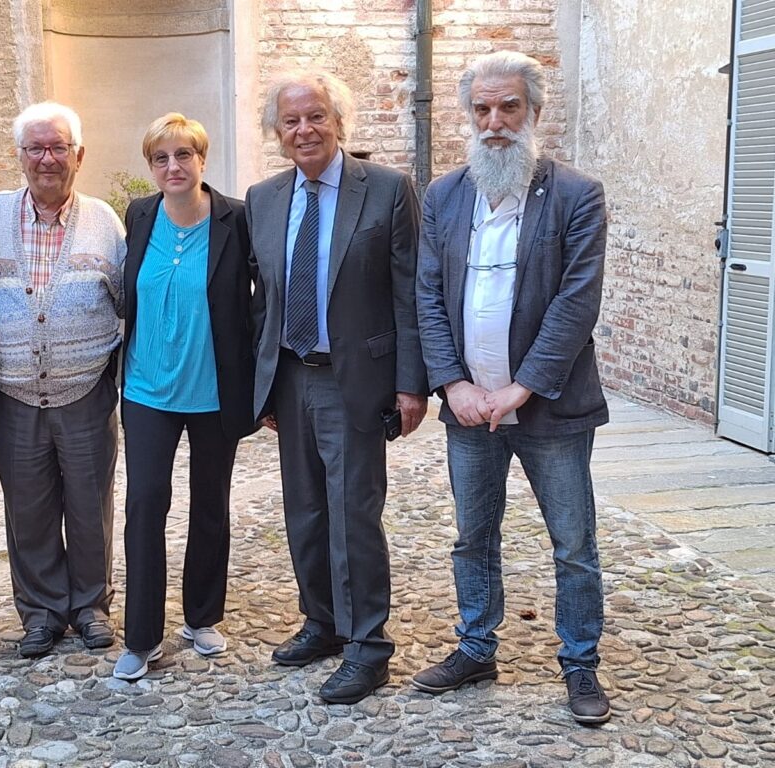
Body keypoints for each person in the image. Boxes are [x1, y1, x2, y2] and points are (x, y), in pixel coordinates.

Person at [414, 50, 611, 725]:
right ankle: (476, 647)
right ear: (470, 116)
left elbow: (575, 303)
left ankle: (580, 663)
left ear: (532, 112)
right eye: (482, 109)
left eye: (509, 108)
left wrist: (520, 389)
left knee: (573, 543)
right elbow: (428, 298)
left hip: (549, 407)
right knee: (473, 537)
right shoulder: (443, 196)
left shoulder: (576, 195)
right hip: (469, 410)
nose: (494, 122)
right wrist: (453, 384)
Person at [247, 70, 428, 704]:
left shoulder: (384, 189)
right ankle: (321, 622)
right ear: (277, 132)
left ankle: (368, 646)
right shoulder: (264, 198)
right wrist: (262, 385)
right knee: (304, 512)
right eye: (292, 120)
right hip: (292, 376)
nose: (305, 130)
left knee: (354, 514)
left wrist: (412, 385)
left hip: (355, 379)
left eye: (316, 116)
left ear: (339, 122)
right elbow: (261, 301)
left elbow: (410, 290)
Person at [0, 102, 125, 658]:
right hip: (12, 392)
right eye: (35, 148)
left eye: (58, 147)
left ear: (78, 155)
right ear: (19, 156)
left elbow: (126, 304)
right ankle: (40, 613)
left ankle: (90, 607)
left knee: (91, 505)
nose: (47, 158)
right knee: (29, 509)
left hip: (85, 389)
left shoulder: (106, 221)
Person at [111, 113, 255, 681]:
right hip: (147, 386)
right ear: (151, 166)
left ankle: (202, 616)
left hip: (214, 388)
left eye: (184, 155)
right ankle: (141, 635)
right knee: (145, 503)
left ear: (202, 159)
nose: (173, 167)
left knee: (210, 505)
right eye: (161, 158)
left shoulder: (235, 219)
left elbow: (258, 299)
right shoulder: (140, 214)